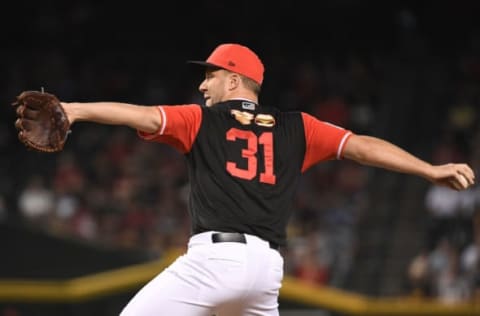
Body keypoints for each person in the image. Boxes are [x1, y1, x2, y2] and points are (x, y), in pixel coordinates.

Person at [52, 43, 475, 315]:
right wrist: (428, 169)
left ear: (233, 79)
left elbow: (141, 116)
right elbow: (362, 145)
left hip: (214, 262)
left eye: (210, 75)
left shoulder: (200, 119)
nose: (203, 84)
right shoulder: (299, 127)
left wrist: (74, 109)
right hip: (267, 271)